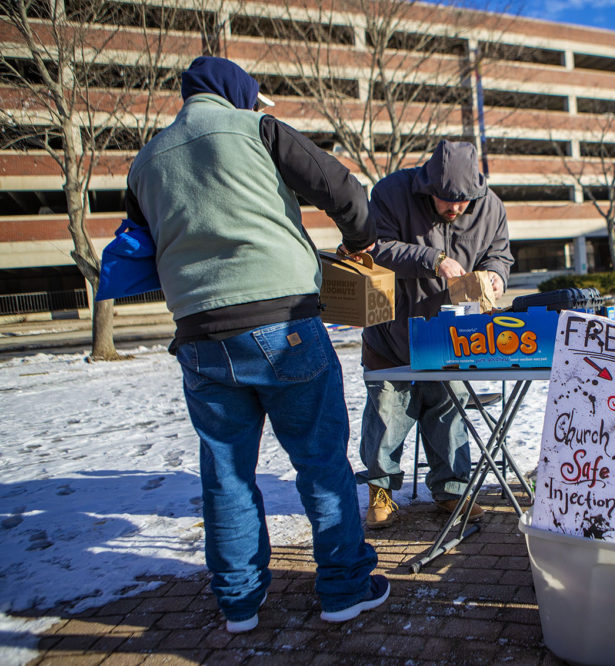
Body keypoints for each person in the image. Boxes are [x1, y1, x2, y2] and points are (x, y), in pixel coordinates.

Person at [124, 56, 388, 633]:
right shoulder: (256, 129)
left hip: (197, 336)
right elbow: (339, 186)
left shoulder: (145, 162)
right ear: (237, 94)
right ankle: (344, 588)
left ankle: (239, 601)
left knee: (225, 473)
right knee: (320, 463)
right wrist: (360, 241)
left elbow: (137, 245)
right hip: (281, 320)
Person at [356, 140, 514, 528]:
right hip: (392, 331)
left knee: (450, 411)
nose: (454, 208)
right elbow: (376, 249)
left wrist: (495, 274)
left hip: (451, 335)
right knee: (387, 413)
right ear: (428, 186)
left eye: (463, 202)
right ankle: (380, 493)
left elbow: (501, 253)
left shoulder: (491, 206)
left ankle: (451, 492)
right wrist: (435, 261)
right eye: (445, 200)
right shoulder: (392, 192)